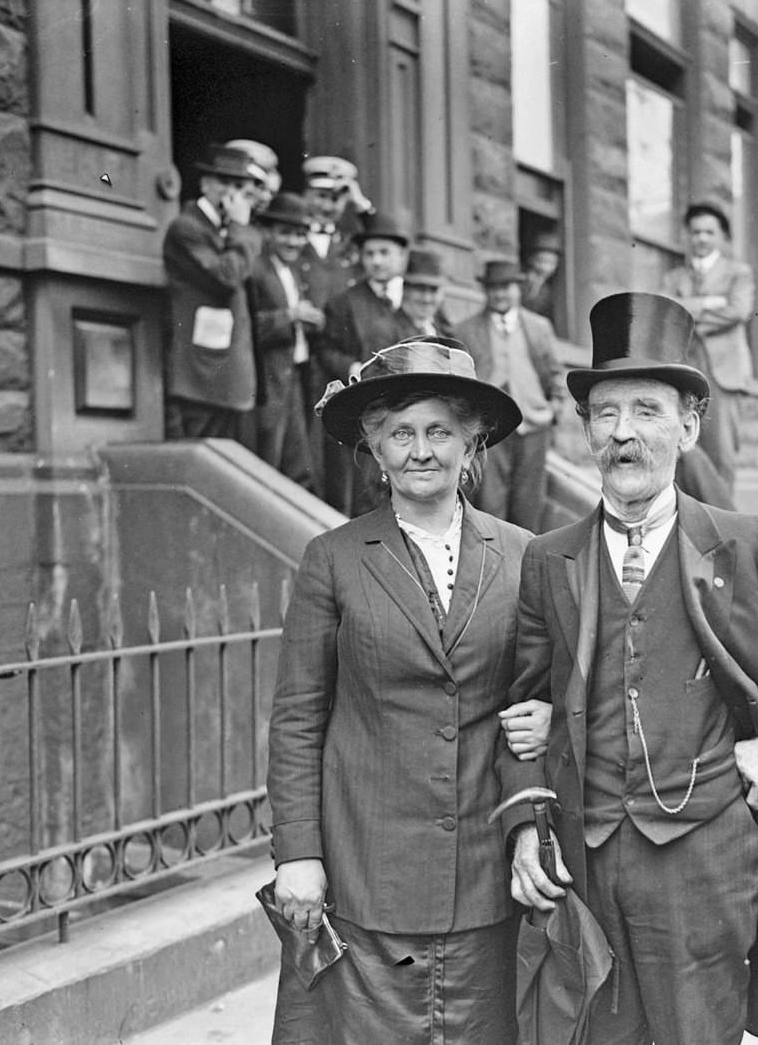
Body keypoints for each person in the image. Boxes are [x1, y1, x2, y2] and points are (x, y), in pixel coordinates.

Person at [494, 292, 758, 1045]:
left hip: (705, 863)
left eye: (647, 411)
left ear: (688, 426)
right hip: (584, 866)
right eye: (607, 414)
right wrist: (524, 824)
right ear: (585, 429)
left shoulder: (745, 545)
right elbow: (519, 715)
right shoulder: (548, 559)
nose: (624, 434)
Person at [267, 336, 531, 1044]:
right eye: (401, 433)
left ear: (472, 445)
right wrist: (298, 853)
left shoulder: (523, 556)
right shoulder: (334, 558)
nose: (422, 450)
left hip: (483, 877)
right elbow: (297, 718)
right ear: (375, 448)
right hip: (366, 879)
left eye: (441, 431)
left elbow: (543, 699)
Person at [449, 260, 562, 532]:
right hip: (490, 428)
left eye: (506, 287)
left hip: (533, 425)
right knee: (490, 500)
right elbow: (457, 382)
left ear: (519, 289)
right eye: (493, 288)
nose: (500, 294)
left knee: (529, 502)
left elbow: (555, 374)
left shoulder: (538, 327)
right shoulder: (465, 330)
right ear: (485, 291)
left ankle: (527, 561)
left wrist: (554, 408)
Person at [161, 142, 262, 442]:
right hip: (200, 375)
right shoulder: (187, 228)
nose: (231, 193)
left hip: (228, 372)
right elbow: (226, 277)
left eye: (239, 185)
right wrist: (242, 229)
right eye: (224, 182)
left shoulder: (230, 230)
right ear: (205, 183)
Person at [318, 211, 414, 515]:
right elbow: (326, 349)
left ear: (401, 255)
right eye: (369, 253)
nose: (376, 260)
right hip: (366, 413)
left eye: (384, 253)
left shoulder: (416, 299)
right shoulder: (344, 303)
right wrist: (351, 367)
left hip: (411, 410)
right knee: (366, 491)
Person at [660, 202, 756, 497]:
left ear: (721, 237)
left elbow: (738, 312)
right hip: (685, 371)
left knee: (721, 456)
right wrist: (709, 304)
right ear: (687, 236)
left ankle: (722, 527)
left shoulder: (738, 273)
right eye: (695, 231)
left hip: (723, 375)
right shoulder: (673, 278)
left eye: (709, 232)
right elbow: (666, 313)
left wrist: (689, 315)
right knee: (684, 451)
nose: (701, 238)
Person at [245, 191, 322, 490]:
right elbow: (248, 326)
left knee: (297, 461)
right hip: (268, 379)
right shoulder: (257, 269)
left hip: (293, 376)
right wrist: (289, 316)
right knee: (268, 457)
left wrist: (310, 321)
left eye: (301, 234)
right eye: (286, 233)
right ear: (268, 232)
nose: (294, 242)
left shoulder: (290, 271)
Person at [298, 155, 372, 308]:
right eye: (321, 196)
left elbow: (380, 236)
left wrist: (361, 205)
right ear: (306, 195)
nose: (327, 207)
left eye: (335, 199)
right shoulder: (293, 239)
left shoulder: (349, 244)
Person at [399, 248, 452, 338]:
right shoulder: (388, 330)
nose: (426, 298)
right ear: (405, 289)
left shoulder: (444, 331)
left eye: (434, 290)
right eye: (420, 289)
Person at [521, 230, 563, 335]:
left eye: (551, 264)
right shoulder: (520, 280)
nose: (545, 268)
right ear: (531, 259)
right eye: (541, 261)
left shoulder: (547, 292)